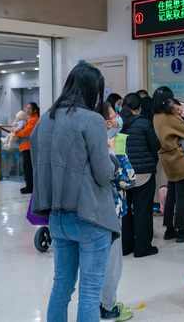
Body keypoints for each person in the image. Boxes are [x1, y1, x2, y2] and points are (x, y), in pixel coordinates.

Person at [30, 63, 120, 321]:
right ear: (93, 90)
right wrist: (113, 160)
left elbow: (38, 162)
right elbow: (103, 174)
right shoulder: (92, 119)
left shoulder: (46, 118)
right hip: (90, 216)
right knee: (90, 293)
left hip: (57, 217)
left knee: (61, 286)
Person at [99, 101, 134, 321]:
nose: (118, 118)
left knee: (96, 261)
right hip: (112, 208)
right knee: (112, 261)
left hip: (91, 209)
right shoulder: (112, 143)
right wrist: (120, 152)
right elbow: (127, 179)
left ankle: (100, 302)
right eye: (115, 114)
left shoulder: (86, 140)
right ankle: (108, 306)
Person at [119, 93, 162, 257]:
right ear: (140, 107)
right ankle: (142, 248)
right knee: (142, 210)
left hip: (124, 174)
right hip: (143, 174)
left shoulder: (118, 123)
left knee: (126, 212)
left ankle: (126, 246)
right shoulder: (144, 123)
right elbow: (156, 146)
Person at [153, 91, 184, 243]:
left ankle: (169, 229)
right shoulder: (169, 118)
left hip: (166, 159)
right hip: (178, 159)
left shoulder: (156, 117)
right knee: (182, 197)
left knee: (171, 193)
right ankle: (182, 231)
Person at [15, 102, 39, 194]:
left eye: (29, 108)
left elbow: (26, 132)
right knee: (27, 167)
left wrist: (16, 132)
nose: (27, 110)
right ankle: (29, 185)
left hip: (29, 147)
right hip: (26, 146)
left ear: (35, 110)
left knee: (28, 167)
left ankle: (30, 186)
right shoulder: (30, 119)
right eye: (26, 108)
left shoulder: (34, 119)